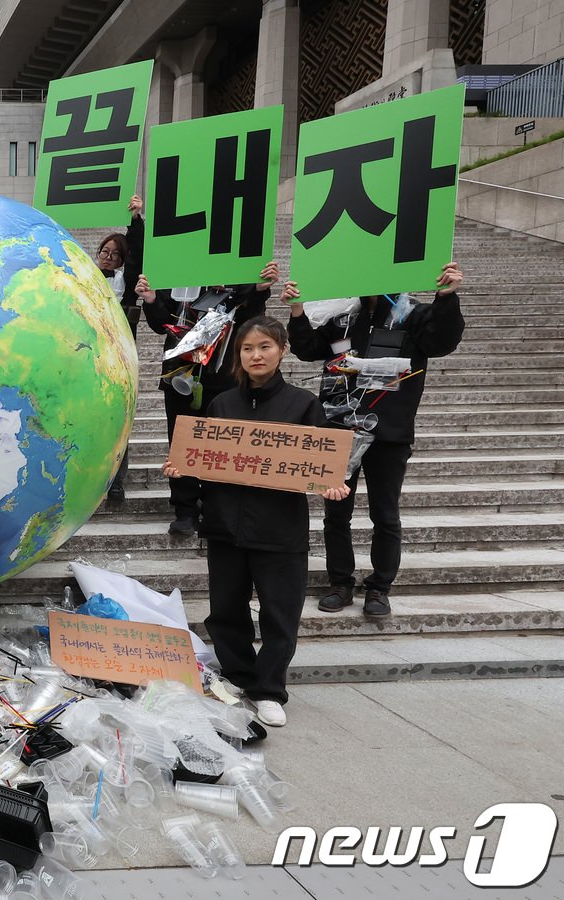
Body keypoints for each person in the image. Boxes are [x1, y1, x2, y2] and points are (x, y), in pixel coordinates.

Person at [162, 316, 350, 728]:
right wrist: (183, 469)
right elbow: (205, 458)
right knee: (225, 611)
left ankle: (269, 690)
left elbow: (322, 464)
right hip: (226, 526)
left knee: (279, 614)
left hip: (279, 529)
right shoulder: (222, 403)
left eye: (264, 346)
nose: (256, 355)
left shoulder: (303, 404)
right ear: (238, 355)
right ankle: (239, 678)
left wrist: (332, 485)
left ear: (282, 350)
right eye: (247, 348)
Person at [285, 262, 465, 618]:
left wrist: (447, 296)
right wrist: (297, 310)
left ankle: (380, 587)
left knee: (385, 514)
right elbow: (306, 348)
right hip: (340, 428)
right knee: (336, 513)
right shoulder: (342, 318)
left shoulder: (411, 314)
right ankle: (340, 582)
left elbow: (443, 340)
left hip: (389, 433)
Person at [136, 262, 277, 534]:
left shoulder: (237, 274)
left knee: (222, 445)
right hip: (181, 374)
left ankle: (218, 507)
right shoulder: (175, 275)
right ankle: (185, 509)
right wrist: (151, 299)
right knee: (181, 442)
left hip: (224, 377)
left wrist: (258, 290)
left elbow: (250, 319)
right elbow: (160, 323)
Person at [95, 195, 144, 502]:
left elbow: (138, 252)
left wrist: (135, 220)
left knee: (118, 420)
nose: (109, 256)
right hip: (90, 357)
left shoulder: (126, 286)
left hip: (121, 359)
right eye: (105, 251)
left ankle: (116, 481)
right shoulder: (85, 277)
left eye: (115, 253)